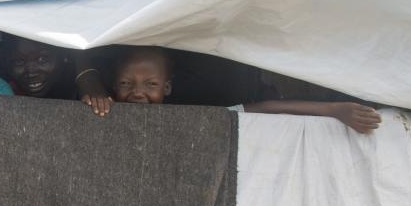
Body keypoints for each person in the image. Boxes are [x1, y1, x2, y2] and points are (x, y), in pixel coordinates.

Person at [108, 46, 383, 132]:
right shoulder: (103, 112)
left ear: (167, 88)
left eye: (151, 84)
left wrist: (334, 110)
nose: (137, 93)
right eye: (126, 84)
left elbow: (266, 108)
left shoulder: (190, 117)